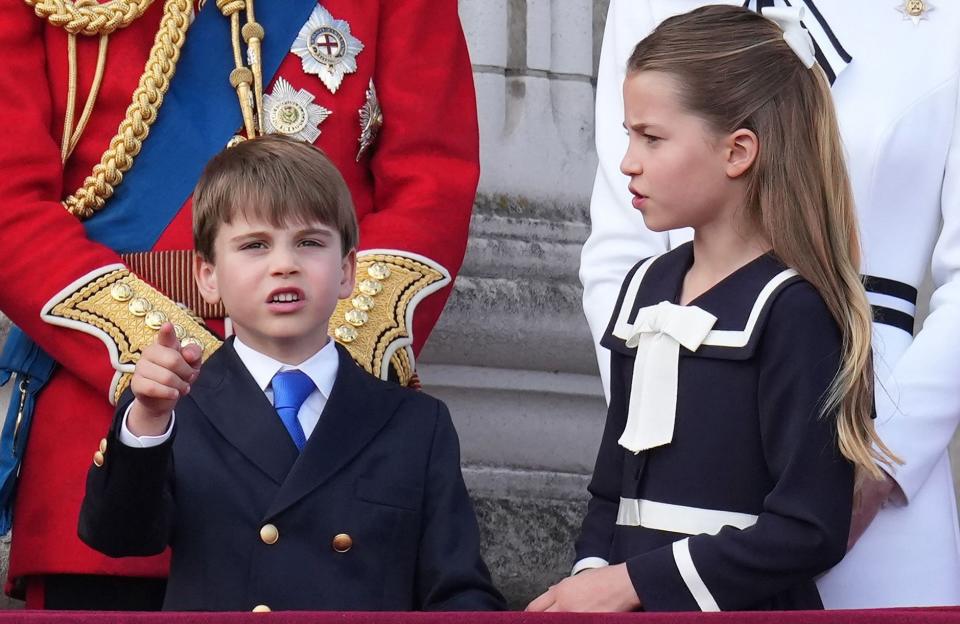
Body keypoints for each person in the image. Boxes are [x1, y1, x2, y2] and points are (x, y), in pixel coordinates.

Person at [0, 0, 479, 609]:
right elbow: (9, 206)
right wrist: (179, 367)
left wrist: (303, 381)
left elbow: (432, 183)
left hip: (319, 454)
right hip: (105, 416)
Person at [580, 0, 960, 609]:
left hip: (881, 414)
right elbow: (618, 247)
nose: (634, 157)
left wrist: (887, 462)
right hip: (682, 430)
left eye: (647, 138)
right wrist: (688, 427)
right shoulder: (653, 286)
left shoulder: (801, 314)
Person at [77, 135, 504, 612]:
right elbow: (119, 536)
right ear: (208, 277)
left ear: (346, 272)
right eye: (255, 245)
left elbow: (458, 591)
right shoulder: (177, 410)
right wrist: (148, 422)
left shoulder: (415, 424)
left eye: (309, 242)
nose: (284, 265)